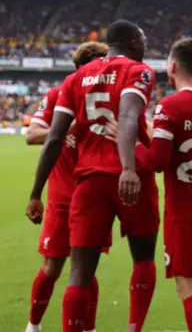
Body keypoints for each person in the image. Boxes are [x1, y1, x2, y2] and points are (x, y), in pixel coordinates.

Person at [25, 19, 160, 332]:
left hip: (88, 181)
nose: (145, 46)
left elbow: (54, 138)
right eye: (142, 41)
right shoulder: (138, 71)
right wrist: (127, 167)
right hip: (132, 176)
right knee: (143, 259)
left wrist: (35, 193)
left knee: (79, 272)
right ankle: (133, 328)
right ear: (133, 43)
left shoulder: (76, 78)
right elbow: (127, 115)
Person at [135, 37, 192, 332]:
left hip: (186, 208)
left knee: (189, 287)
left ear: (172, 66)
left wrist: (129, 144)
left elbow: (157, 161)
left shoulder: (170, 106)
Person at [24, 41, 108, 332]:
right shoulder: (58, 95)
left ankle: (89, 328)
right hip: (63, 197)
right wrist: (64, 129)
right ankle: (33, 326)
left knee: (87, 269)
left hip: (94, 196)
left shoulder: (109, 100)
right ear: (84, 67)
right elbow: (32, 135)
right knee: (52, 267)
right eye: (100, 62)